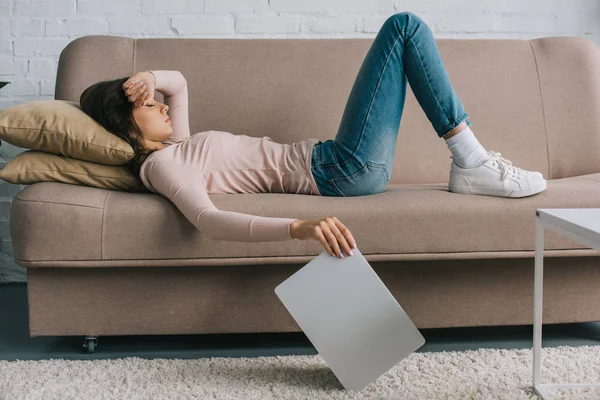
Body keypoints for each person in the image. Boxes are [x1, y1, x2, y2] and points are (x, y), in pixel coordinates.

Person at [79, 12, 546, 261]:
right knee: (403, 28)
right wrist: (298, 227)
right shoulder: (162, 165)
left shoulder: (175, 146)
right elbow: (207, 220)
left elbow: (176, 82)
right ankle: (471, 159)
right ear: (125, 124)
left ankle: (471, 161)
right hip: (338, 170)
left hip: (336, 162)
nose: (161, 103)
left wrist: (147, 74)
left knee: (405, 30)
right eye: (147, 104)